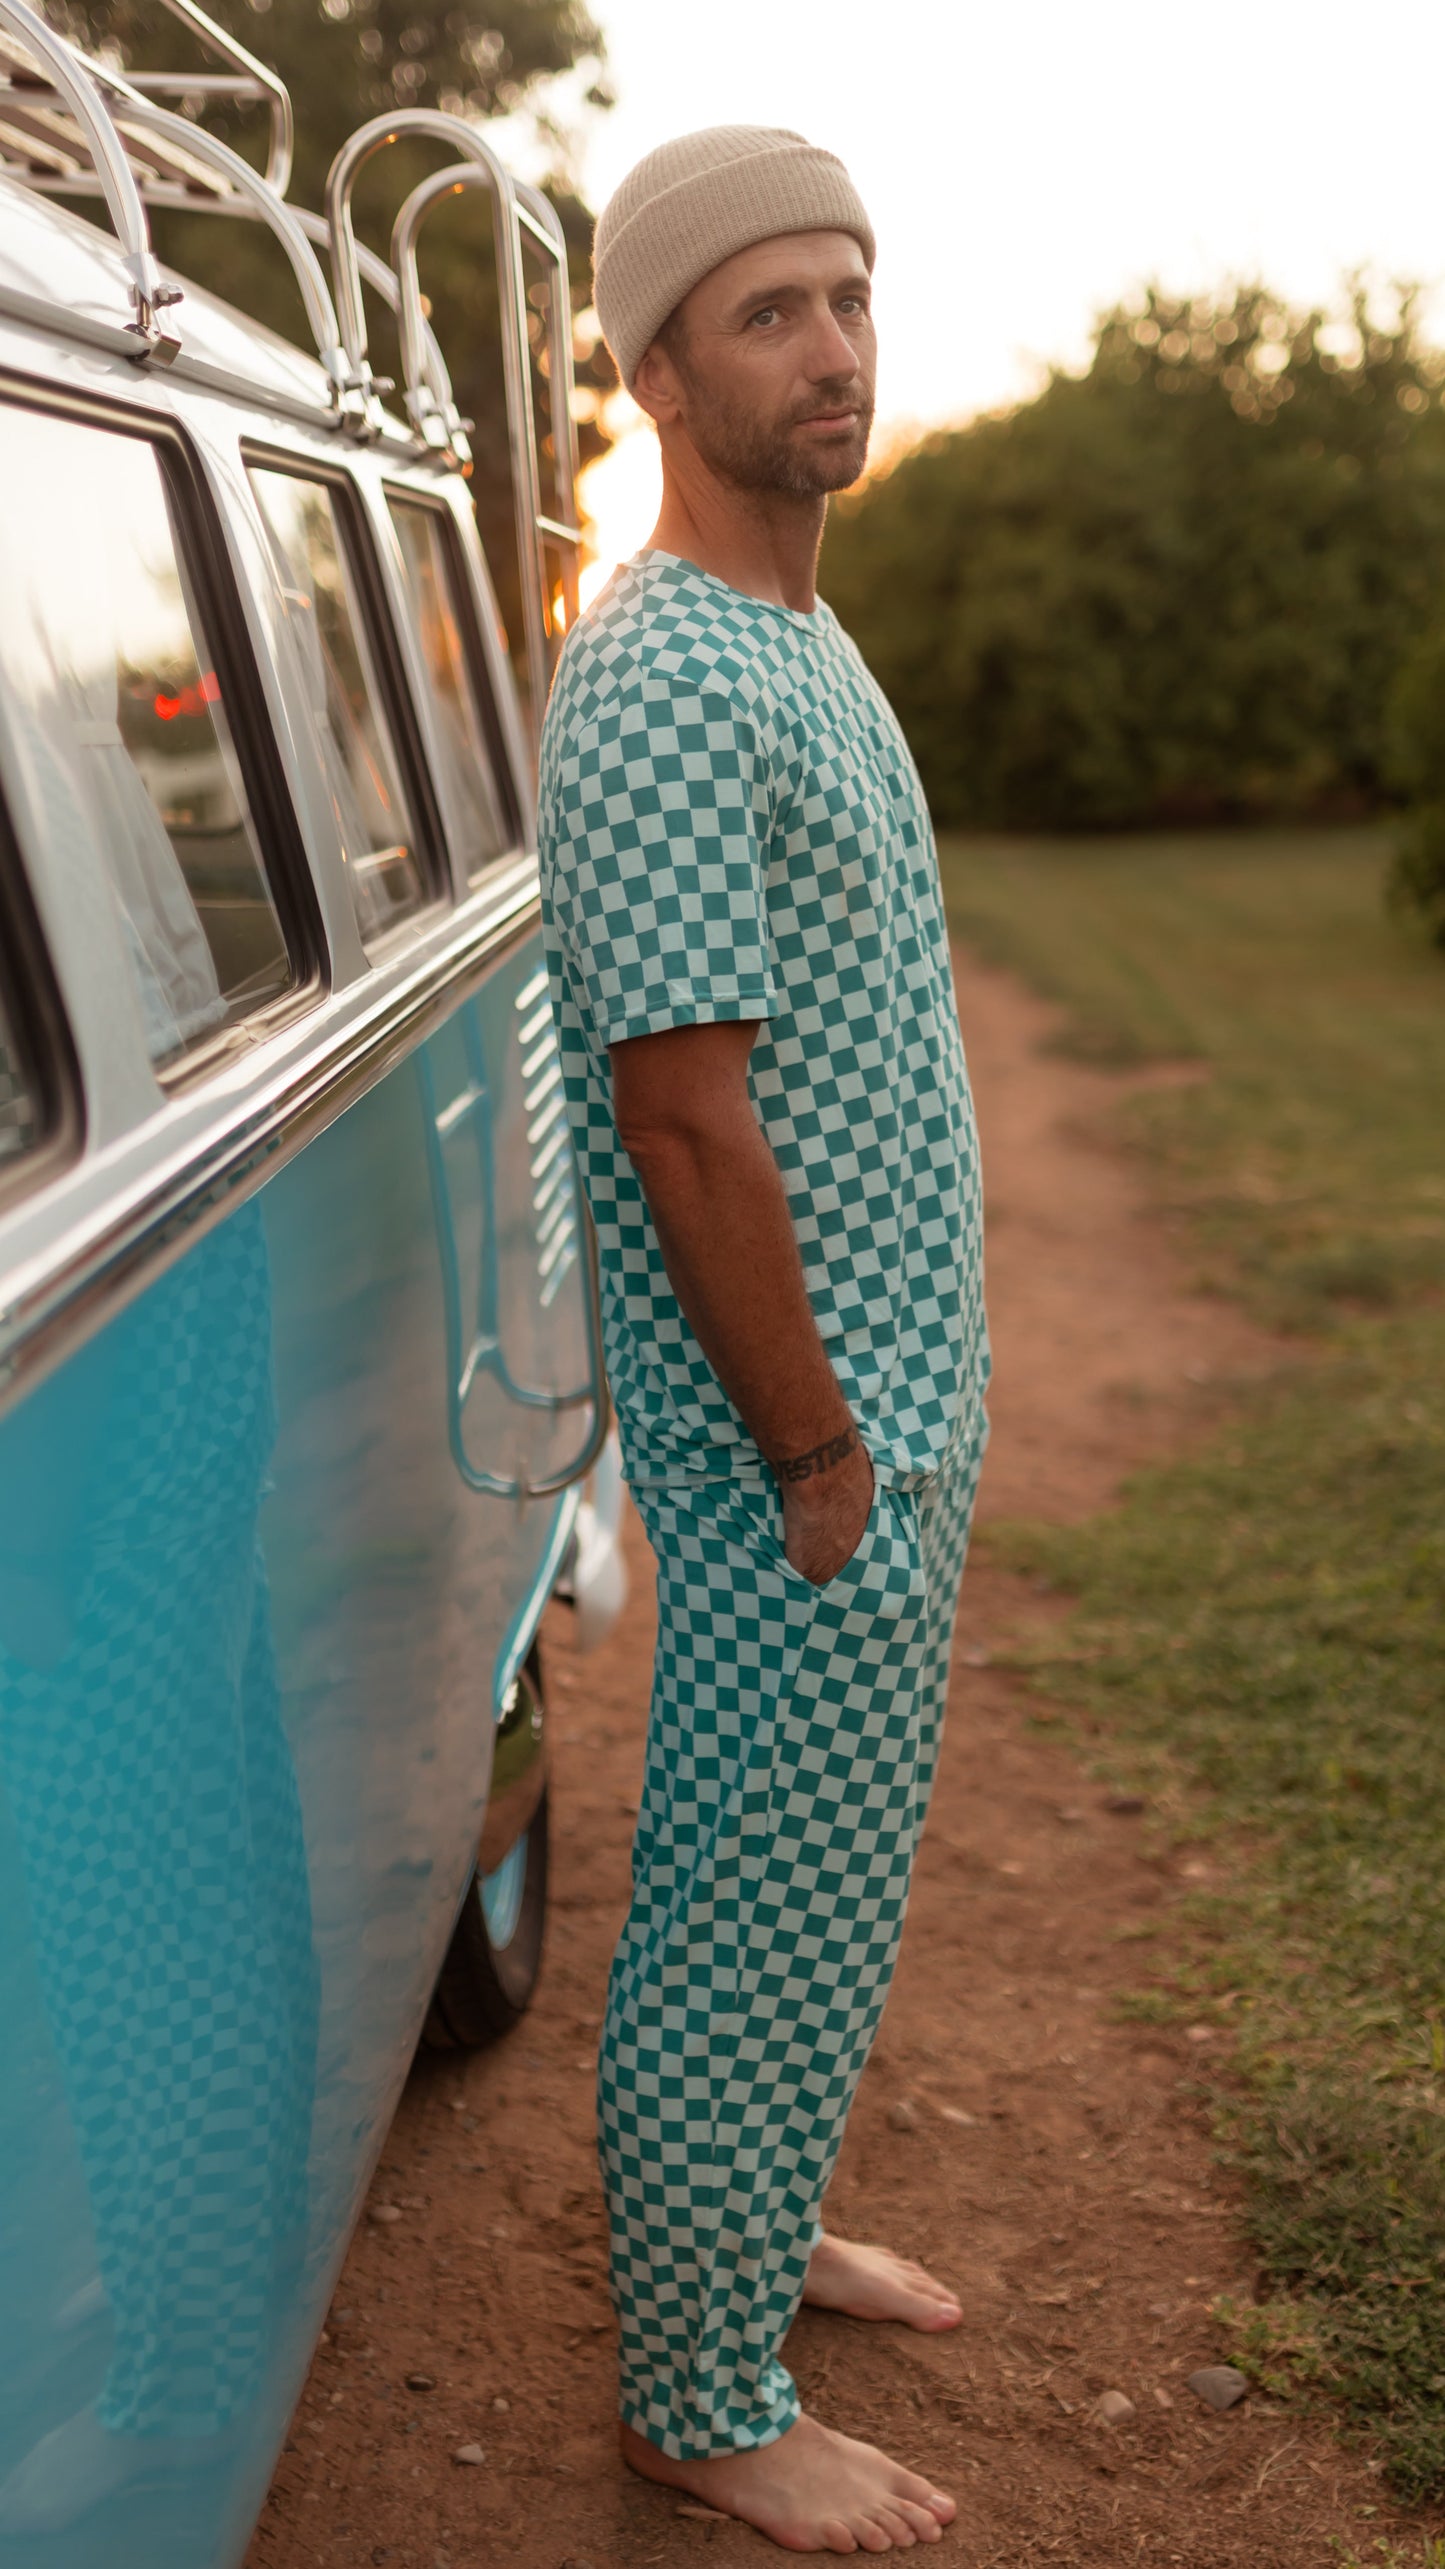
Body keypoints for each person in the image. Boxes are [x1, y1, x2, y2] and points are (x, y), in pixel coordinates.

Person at [538, 124, 989, 2555]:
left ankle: (759, 2225)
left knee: (831, 1866)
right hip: (801, 1435)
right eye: (769, 311)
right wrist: (816, 1444)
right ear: (659, 367)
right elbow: (687, 1118)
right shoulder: (663, 675)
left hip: (894, 1418)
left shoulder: (795, 634)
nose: (831, 348)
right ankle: (701, 2392)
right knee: (743, 1886)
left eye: (849, 295)